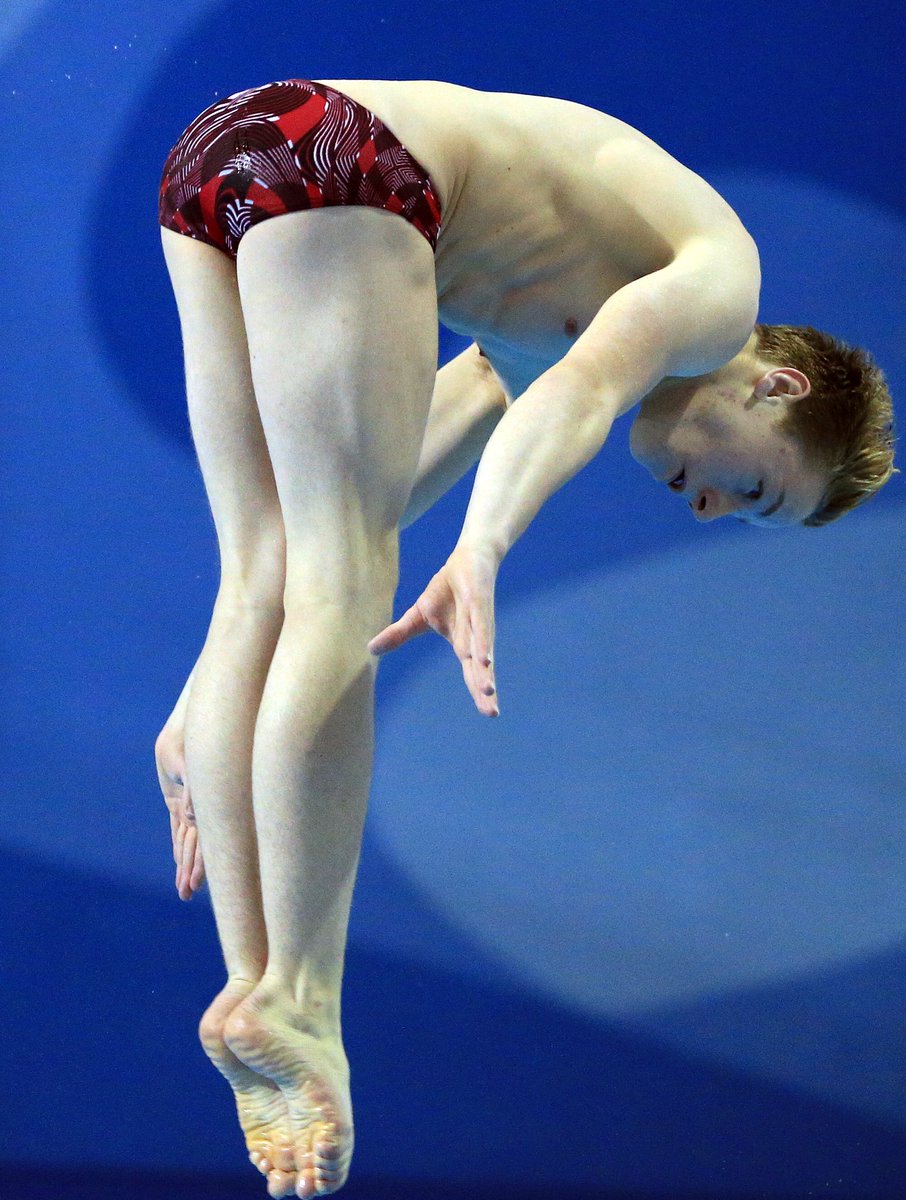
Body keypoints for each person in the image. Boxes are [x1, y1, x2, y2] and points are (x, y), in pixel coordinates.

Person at [152, 78, 896, 1200]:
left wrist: (207, 696)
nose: (708, 511)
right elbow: (588, 394)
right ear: (779, 388)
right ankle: (298, 998)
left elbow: (399, 489)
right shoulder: (718, 291)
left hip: (218, 157)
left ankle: (256, 987)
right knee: (344, 577)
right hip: (344, 156)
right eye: (758, 494)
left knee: (275, 572)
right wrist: (485, 551)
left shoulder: (525, 337)